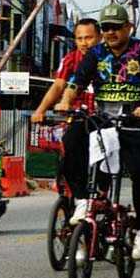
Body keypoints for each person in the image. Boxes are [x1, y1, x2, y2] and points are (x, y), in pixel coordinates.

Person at [58, 4, 140, 261]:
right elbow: (76, 81)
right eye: (106, 28)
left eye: (116, 27)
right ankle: (83, 199)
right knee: (72, 138)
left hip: (135, 121)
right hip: (103, 118)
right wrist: (66, 101)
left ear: (129, 27)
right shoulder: (95, 53)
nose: (111, 32)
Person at [30, 18, 100, 224]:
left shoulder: (108, 59)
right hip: (79, 117)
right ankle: (79, 198)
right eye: (79, 38)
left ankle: (101, 196)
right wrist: (41, 110)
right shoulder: (70, 59)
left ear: (99, 37)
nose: (84, 42)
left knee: (104, 162)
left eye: (89, 37)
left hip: (105, 118)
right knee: (68, 154)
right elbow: (58, 86)